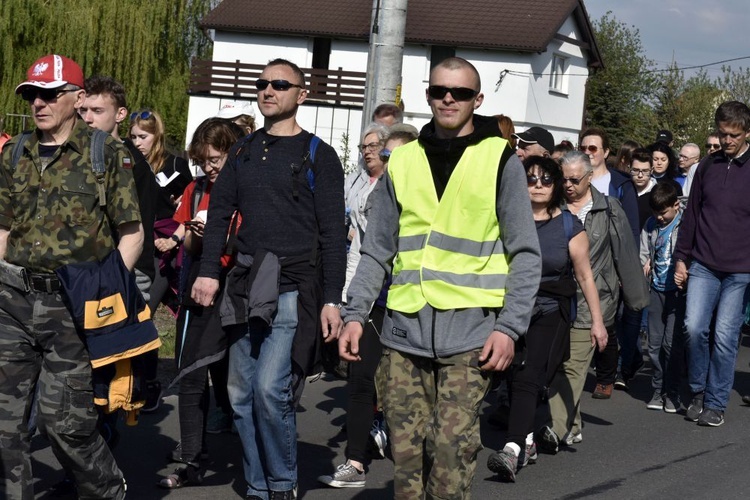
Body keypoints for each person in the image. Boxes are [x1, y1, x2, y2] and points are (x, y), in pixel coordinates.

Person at [340, 56, 541, 499]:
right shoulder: (405, 160)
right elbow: (376, 250)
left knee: (449, 450)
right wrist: (354, 314)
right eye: (439, 91)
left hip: (470, 335)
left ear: (478, 100)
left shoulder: (499, 160)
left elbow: (525, 254)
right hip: (402, 333)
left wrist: (509, 329)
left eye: (461, 92)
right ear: (427, 95)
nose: (449, 99)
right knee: (406, 456)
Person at [191, 58, 345, 500]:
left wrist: (333, 299)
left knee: (267, 388)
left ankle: (281, 483)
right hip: (243, 283)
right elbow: (219, 213)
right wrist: (207, 274)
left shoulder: (318, 154)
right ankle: (258, 485)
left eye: (280, 84)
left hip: (294, 286)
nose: (267, 90)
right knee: (239, 393)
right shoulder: (242, 151)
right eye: (261, 84)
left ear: (302, 94)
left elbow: (334, 233)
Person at [0, 54, 143, 500]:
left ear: (76, 98)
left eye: (49, 95)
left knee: (64, 425)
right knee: (4, 426)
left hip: (74, 307)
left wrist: (106, 296)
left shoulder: (107, 153)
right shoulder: (14, 152)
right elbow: (4, 227)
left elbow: (132, 234)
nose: (38, 104)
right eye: (32, 95)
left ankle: (107, 490)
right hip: (13, 302)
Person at [487, 156, 606, 482]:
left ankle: (511, 450)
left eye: (545, 180)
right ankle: (526, 440)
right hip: (511, 308)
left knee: (528, 377)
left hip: (551, 311)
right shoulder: (506, 219)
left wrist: (597, 322)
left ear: (555, 186)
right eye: (531, 179)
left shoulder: (569, 226)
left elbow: (584, 277)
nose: (537, 185)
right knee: (511, 376)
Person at [318, 126, 418, 489]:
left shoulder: (429, 199)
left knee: (403, 393)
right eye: (385, 155)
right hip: (376, 300)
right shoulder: (376, 198)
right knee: (360, 380)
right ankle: (355, 461)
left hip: (416, 308)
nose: (387, 161)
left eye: (396, 156)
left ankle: (414, 470)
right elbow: (363, 253)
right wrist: (350, 303)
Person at [537, 151, 647, 453]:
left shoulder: (609, 209)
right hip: (555, 298)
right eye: (564, 179)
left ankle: (556, 428)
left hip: (596, 297)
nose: (569, 185)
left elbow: (625, 252)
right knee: (555, 362)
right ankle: (572, 425)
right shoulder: (551, 206)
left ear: (589, 178)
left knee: (574, 365)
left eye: (575, 179)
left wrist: (636, 299)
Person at [158, 117, 244, 489]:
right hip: (198, 290)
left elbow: (252, 246)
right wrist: (195, 237)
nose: (209, 167)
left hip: (238, 290)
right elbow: (190, 250)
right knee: (190, 373)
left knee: (237, 379)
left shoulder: (249, 189)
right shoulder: (195, 190)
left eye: (215, 158)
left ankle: (253, 455)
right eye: (203, 160)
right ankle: (192, 457)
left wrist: (223, 239)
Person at [674, 101, 750, 427]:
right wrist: (681, 258)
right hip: (703, 263)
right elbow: (691, 215)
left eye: (733, 135)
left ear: (747, 132)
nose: (727, 140)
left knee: (725, 336)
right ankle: (697, 391)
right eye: (722, 133)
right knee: (693, 328)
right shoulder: (706, 166)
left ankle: (716, 402)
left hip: (741, 270)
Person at [130, 108, 192, 412]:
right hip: (136, 246)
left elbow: (189, 203)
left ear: (157, 136)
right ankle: (130, 378)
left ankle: (149, 383)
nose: (138, 141)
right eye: (134, 136)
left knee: (145, 311)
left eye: (144, 136)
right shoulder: (128, 162)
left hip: (166, 249)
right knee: (131, 314)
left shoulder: (177, 165)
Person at [578, 128, 640, 399]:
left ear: (605, 152)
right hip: (577, 259)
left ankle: (606, 375)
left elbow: (631, 232)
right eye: (584, 148)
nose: (588, 153)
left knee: (605, 319)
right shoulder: (571, 180)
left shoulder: (620, 185)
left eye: (593, 148)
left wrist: (629, 270)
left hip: (607, 263)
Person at [640, 181, 686, 413]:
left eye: (664, 212)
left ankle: (673, 390)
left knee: (671, 344)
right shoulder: (650, 225)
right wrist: (645, 262)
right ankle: (658, 389)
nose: (659, 217)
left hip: (677, 293)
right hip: (656, 290)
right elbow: (643, 252)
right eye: (656, 213)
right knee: (654, 345)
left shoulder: (685, 225)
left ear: (676, 205)